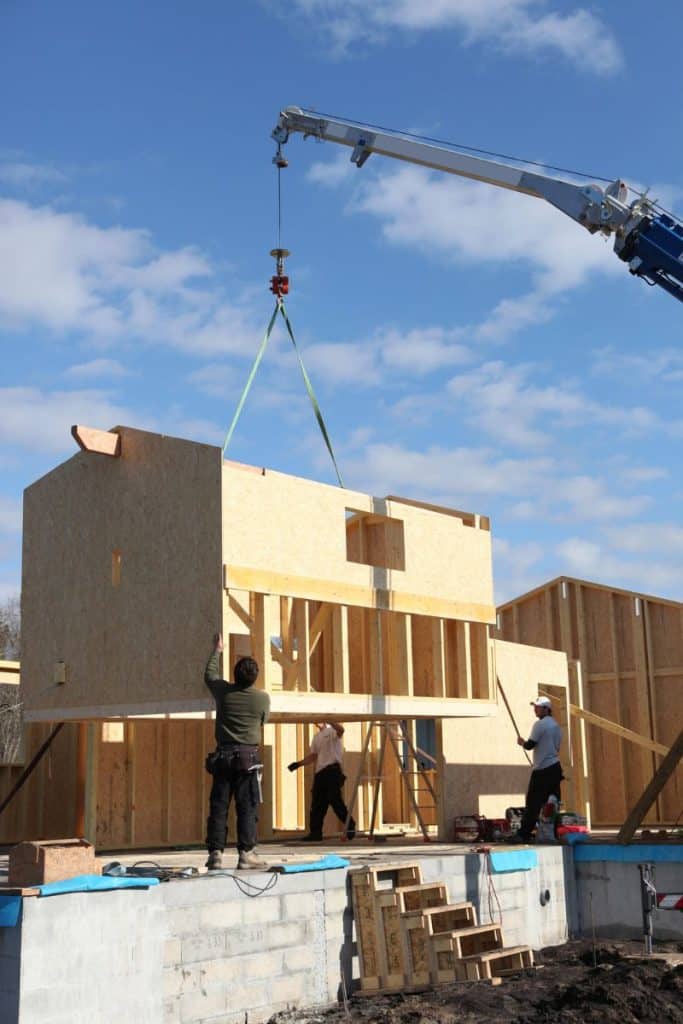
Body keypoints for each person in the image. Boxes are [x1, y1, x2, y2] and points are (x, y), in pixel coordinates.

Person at [204, 633, 270, 870]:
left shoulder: (224, 692)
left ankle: (215, 855)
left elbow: (209, 675)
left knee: (219, 806)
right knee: (247, 807)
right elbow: (263, 722)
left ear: (234, 675)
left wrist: (217, 650)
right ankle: (246, 855)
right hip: (247, 759)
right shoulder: (262, 699)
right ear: (255, 678)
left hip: (223, 757)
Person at [288, 722, 356, 841]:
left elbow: (341, 730)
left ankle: (349, 825)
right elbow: (314, 756)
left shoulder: (331, 731)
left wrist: (330, 720)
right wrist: (299, 764)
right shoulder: (316, 737)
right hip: (320, 773)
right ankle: (315, 833)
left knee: (334, 800)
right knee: (317, 803)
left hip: (333, 770)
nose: (318, 722)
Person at [513, 695, 563, 843]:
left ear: (546, 709)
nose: (535, 709)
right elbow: (556, 747)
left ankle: (523, 834)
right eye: (535, 706)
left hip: (542, 771)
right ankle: (552, 834)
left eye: (538, 707)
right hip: (555, 768)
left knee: (533, 803)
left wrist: (522, 742)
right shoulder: (556, 726)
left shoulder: (540, 725)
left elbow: (530, 745)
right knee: (552, 803)